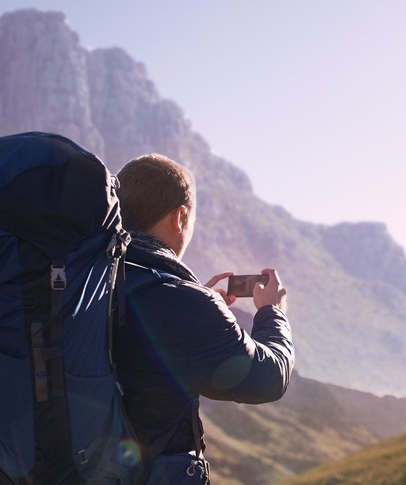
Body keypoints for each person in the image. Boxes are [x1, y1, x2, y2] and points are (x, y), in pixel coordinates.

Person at [112, 154, 293, 483]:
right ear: (180, 218)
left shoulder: (85, 282)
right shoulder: (188, 306)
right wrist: (272, 313)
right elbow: (269, 378)